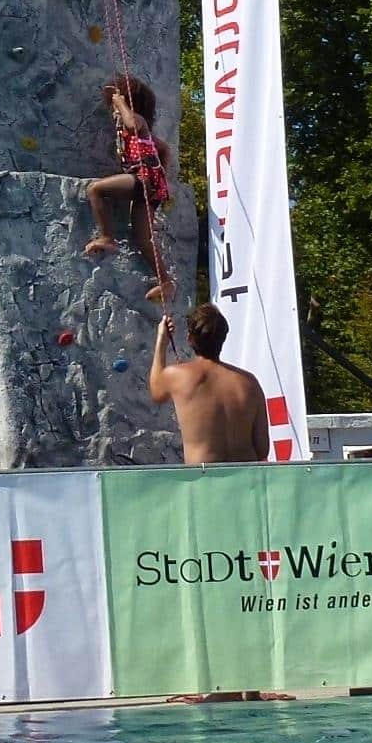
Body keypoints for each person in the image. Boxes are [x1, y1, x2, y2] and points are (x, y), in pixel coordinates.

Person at [84, 75, 174, 303]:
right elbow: (162, 148)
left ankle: (107, 236)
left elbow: (131, 124)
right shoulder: (142, 134)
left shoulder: (136, 120)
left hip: (142, 179)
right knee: (143, 237)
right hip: (152, 185)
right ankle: (165, 282)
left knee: (95, 190)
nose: (114, 113)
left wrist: (120, 102)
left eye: (115, 108)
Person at [150, 304, 270, 466]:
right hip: (245, 481)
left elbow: (156, 391)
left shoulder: (178, 375)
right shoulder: (249, 383)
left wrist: (161, 339)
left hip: (204, 481)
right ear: (223, 338)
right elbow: (263, 449)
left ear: (190, 338)